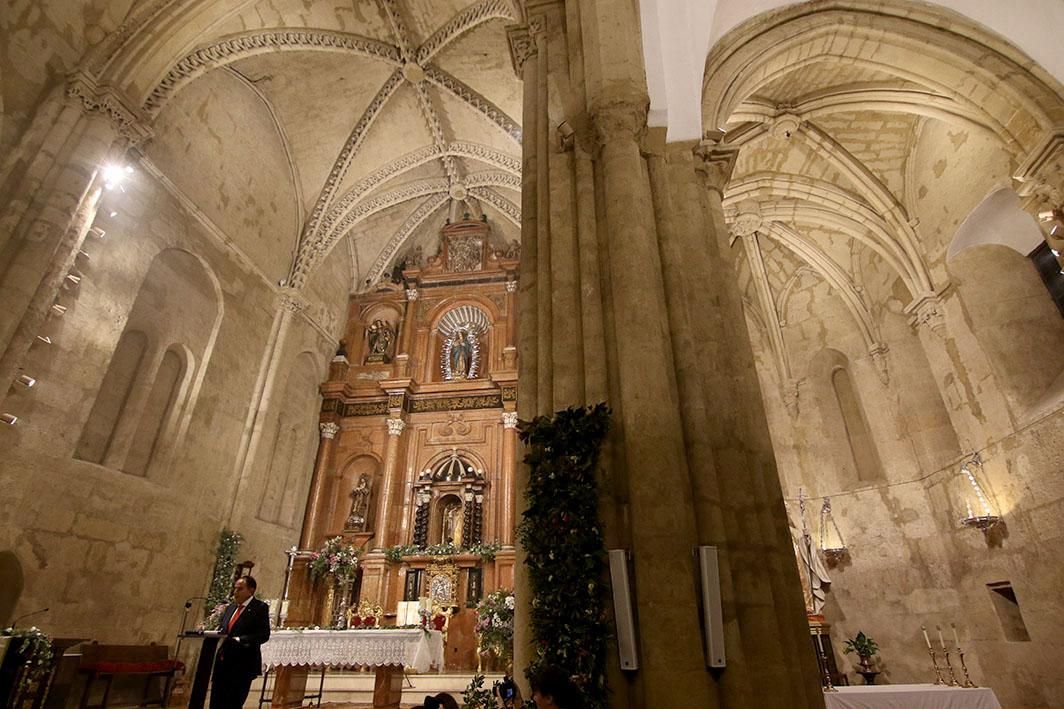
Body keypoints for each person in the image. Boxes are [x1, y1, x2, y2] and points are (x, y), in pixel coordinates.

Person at [209, 576, 271, 708]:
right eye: (235, 588)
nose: (235, 592)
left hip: (243, 662)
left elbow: (263, 634)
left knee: (233, 702)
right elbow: (224, 629)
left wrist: (241, 640)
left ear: (251, 590)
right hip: (223, 661)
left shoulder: (259, 607)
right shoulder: (230, 608)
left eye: (240, 589)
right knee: (216, 700)